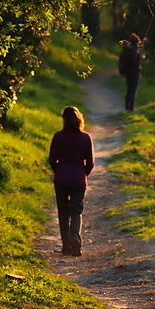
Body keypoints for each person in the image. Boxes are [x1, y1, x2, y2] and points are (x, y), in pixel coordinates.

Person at [48, 106, 95, 256]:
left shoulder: (58, 136)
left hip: (61, 177)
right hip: (78, 178)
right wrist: (83, 173)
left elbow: (51, 159)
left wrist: (59, 170)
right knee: (76, 211)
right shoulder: (85, 137)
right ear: (79, 119)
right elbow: (91, 163)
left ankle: (66, 246)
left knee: (63, 212)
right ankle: (75, 238)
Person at [118, 33, 144, 111]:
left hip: (127, 73)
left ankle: (127, 107)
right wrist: (140, 57)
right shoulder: (134, 50)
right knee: (132, 91)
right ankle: (131, 108)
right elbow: (135, 63)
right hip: (134, 73)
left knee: (129, 90)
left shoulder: (126, 49)